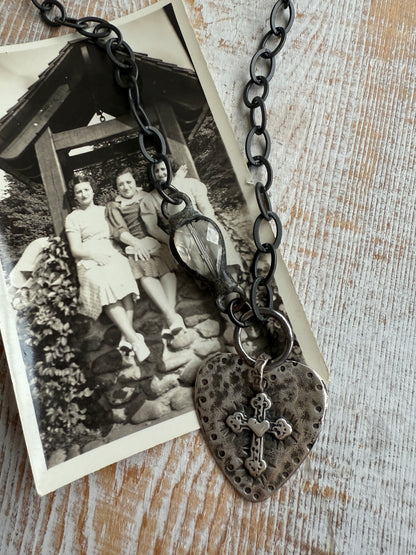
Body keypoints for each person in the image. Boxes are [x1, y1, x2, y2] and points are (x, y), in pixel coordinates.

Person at [65, 175, 149, 363]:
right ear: (75, 197)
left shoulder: (105, 210)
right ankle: (135, 340)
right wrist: (94, 256)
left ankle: (126, 337)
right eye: (79, 191)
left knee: (123, 280)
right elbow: (75, 249)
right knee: (102, 285)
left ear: (93, 191)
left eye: (86, 189)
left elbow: (120, 231)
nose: (83, 193)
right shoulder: (73, 218)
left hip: (111, 251)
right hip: (88, 257)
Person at [106, 166, 185, 336]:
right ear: (117, 188)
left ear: (135, 182)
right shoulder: (114, 205)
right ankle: (171, 318)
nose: (126, 187)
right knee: (145, 274)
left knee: (166, 267)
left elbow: (161, 219)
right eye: (121, 185)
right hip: (134, 245)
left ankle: (169, 319)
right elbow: (120, 231)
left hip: (154, 241)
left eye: (129, 182)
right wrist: (138, 244)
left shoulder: (147, 197)